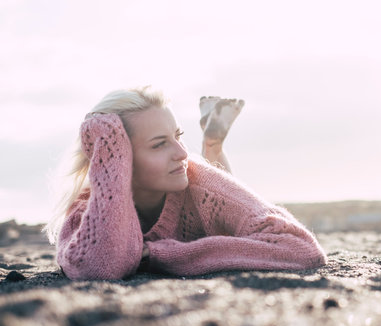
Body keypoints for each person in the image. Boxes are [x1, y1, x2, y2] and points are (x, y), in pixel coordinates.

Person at [45, 86, 327, 280]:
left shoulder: (200, 179)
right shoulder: (90, 205)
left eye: (178, 136)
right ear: (117, 156)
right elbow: (96, 268)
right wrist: (105, 145)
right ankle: (212, 144)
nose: (182, 152)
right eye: (159, 144)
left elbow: (302, 250)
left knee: (220, 183)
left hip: (216, 209)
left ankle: (212, 147)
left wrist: (161, 254)